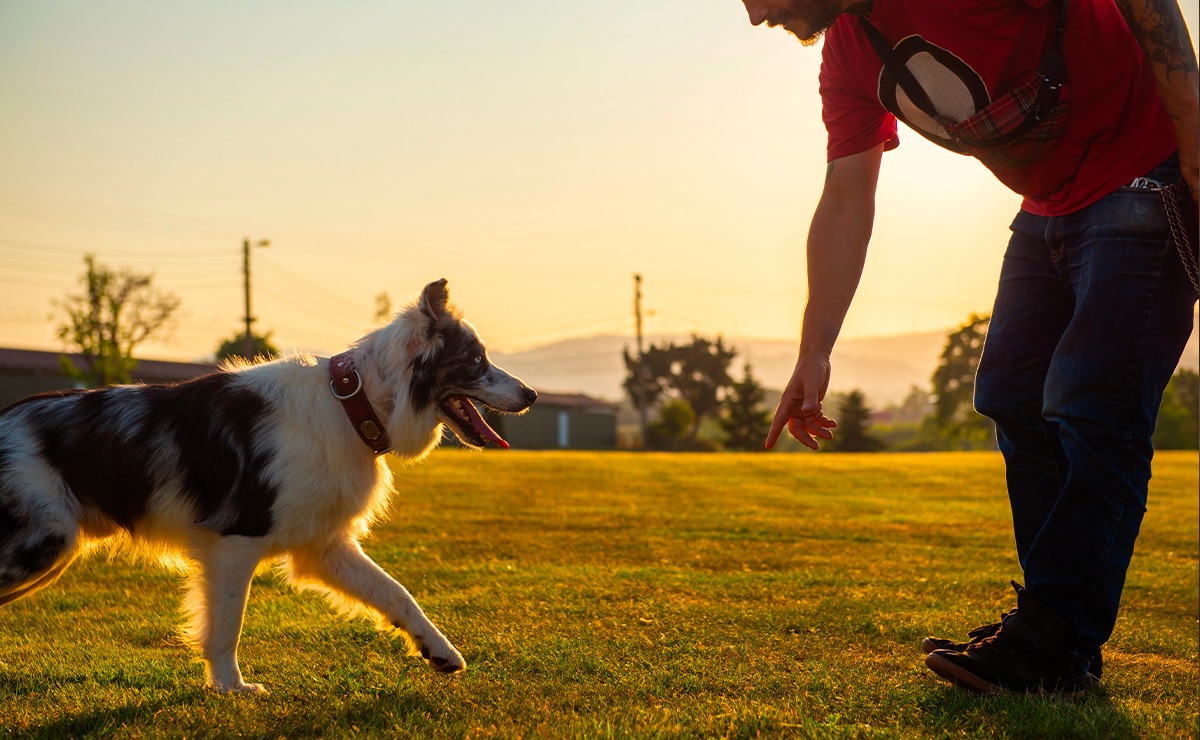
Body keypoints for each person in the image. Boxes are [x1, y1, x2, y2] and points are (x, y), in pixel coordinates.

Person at [738, 0, 1199, 693]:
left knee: (1092, 406)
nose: (754, 15)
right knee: (1011, 393)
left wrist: (1192, 124)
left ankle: (1052, 640)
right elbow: (844, 199)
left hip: (1146, 168)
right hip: (1049, 208)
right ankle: (1055, 640)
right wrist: (815, 352)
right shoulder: (850, 54)